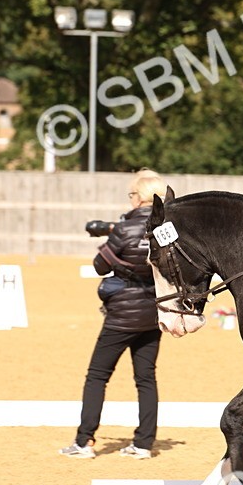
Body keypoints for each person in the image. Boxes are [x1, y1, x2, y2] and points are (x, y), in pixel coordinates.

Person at [60, 169, 166, 459]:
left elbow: (99, 265)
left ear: (140, 197)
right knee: (146, 378)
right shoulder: (167, 228)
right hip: (154, 310)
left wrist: (116, 249)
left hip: (122, 313)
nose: (130, 199)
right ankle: (144, 444)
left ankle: (84, 442)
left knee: (97, 375)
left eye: (132, 194)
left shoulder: (124, 228)